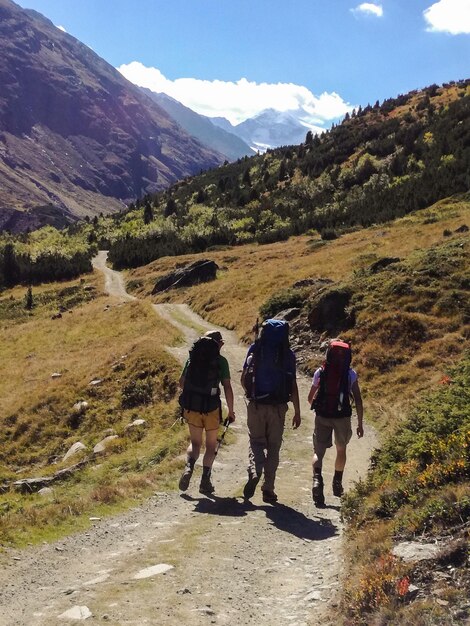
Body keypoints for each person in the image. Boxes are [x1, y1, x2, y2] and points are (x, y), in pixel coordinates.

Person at [240, 319, 301, 504]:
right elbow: (293, 385)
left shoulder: (255, 349)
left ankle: (255, 468)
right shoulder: (288, 355)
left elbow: (244, 377)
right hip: (278, 408)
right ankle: (268, 490)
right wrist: (297, 411)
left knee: (256, 442)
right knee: (274, 447)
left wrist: (250, 394)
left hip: (257, 404)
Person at [307, 338, 364, 506]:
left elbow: (310, 398)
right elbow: (358, 400)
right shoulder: (350, 374)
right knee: (341, 449)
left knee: (319, 451)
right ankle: (337, 483)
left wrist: (319, 408)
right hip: (342, 417)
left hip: (323, 415)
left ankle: (317, 480)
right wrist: (360, 423)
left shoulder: (320, 372)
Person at [178, 330, 235, 495]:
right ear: (218, 343)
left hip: (192, 406)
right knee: (211, 445)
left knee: (195, 443)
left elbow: (181, 383)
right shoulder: (221, 361)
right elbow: (228, 387)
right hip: (211, 408)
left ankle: (189, 467)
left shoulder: (192, 359)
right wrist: (231, 411)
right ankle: (205, 480)